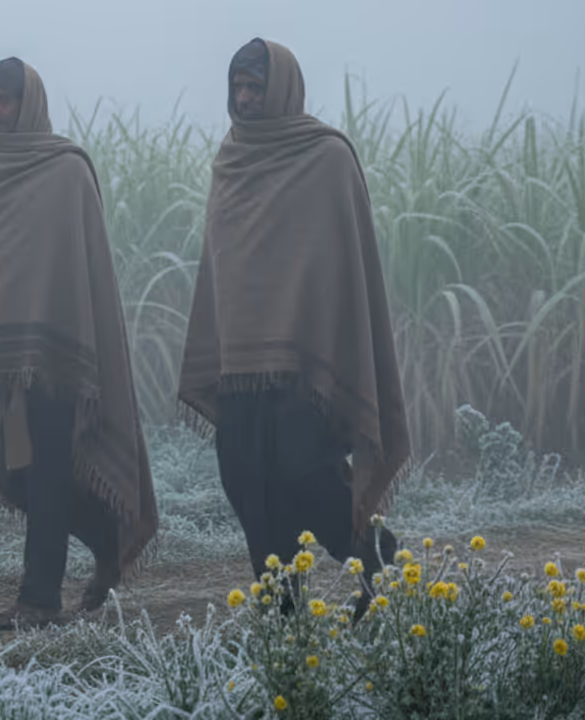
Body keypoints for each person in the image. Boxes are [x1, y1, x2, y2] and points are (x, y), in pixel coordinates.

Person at [0, 57, 159, 630]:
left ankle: (39, 600)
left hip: (55, 355)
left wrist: (52, 340)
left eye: (6, 100)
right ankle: (106, 541)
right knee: (13, 468)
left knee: (46, 468)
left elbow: (78, 269)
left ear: (31, 103)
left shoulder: (64, 170)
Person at [176, 38, 410, 619]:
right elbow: (223, 267)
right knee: (247, 483)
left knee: (309, 479)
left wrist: (320, 346)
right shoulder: (231, 158)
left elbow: (341, 268)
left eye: (256, 86)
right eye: (238, 87)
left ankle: (382, 569)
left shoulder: (325, 157)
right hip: (241, 365)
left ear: (281, 87)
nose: (245, 98)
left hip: (307, 365)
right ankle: (284, 619)